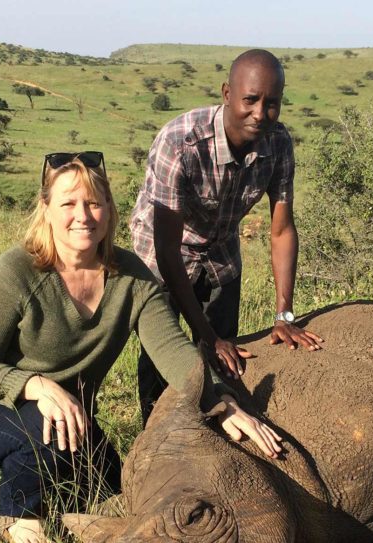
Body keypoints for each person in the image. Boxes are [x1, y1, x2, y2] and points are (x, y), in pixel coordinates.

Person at [0, 152, 281, 543]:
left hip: (72, 415)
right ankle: (14, 511)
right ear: (46, 209)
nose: (82, 215)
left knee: (114, 491)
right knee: (47, 436)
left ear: (109, 212)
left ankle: (57, 492)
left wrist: (220, 400)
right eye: (68, 203)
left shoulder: (132, 277)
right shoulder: (13, 274)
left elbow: (171, 348)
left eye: (93, 203)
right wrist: (34, 385)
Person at [131, 49, 324, 424]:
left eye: (272, 103)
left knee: (226, 358)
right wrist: (206, 335)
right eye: (250, 100)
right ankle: (153, 437)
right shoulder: (180, 141)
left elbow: (282, 229)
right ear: (227, 94)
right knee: (163, 356)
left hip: (220, 248)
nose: (260, 113)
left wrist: (283, 314)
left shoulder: (279, 143)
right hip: (163, 251)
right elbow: (168, 249)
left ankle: (219, 433)